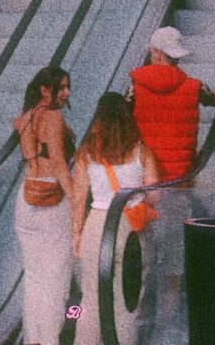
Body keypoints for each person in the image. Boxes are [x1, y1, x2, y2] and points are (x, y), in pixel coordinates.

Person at [71, 92, 160, 345]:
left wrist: (76, 234)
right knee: (127, 303)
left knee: (90, 299)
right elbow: (154, 197)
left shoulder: (87, 153)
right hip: (131, 227)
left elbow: (79, 198)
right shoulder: (141, 151)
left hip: (96, 224)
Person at [127, 26, 215, 181]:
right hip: (182, 176)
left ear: (155, 52)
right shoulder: (195, 87)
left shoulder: (134, 89)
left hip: (146, 174)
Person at [13, 66, 76, 345]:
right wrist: (77, 202)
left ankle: (33, 340)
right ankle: (51, 340)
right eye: (61, 87)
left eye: (67, 87)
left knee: (34, 277)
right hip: (53, 200)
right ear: (44, 89)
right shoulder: (53, 118)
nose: (66, 93)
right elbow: (61, 165)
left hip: (26, 200)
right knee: (56, 280)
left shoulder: (24, 119)